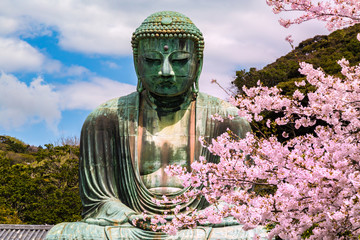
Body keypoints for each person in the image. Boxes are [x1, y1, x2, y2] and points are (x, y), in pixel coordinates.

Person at [46, 11, 264, 240]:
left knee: (255, 234)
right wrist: (133, 217)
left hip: (199, 228)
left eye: (180, 61)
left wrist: (194, 219)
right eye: (152, 60)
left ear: (198, 63)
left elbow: (237, 200)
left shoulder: (227, 120)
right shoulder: (104, 118)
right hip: (132, 227)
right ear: (136, 62)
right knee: (61, 234)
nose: (166, 72)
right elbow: (98, 203)